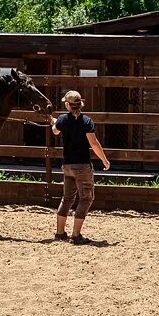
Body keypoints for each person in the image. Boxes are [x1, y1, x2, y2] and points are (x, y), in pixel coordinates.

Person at [50, 90, 109, 244]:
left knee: (67, 198)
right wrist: (104, 159)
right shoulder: (87, 121)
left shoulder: (62, 119)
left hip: (67, 165)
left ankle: (60, 232)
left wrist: (54, 122)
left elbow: (55, 131)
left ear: (68, 105)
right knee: (86, 198)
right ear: (80, 104)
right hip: (82, 166)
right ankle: (76, 235)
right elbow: (94, 143)